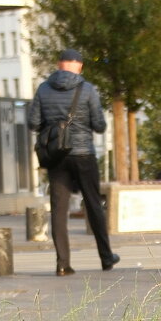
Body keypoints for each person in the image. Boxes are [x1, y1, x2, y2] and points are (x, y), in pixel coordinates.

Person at [29, 48, 118, 276]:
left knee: (59, 210)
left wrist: (54, 126)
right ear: (79, 66)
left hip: (57, 157)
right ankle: (106, 257)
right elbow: (99, 125)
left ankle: (62, 263)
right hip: (83, 154)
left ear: (59, 65)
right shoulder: (87, 89)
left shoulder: (43, 88)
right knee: (93, 205)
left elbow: (33, 122)